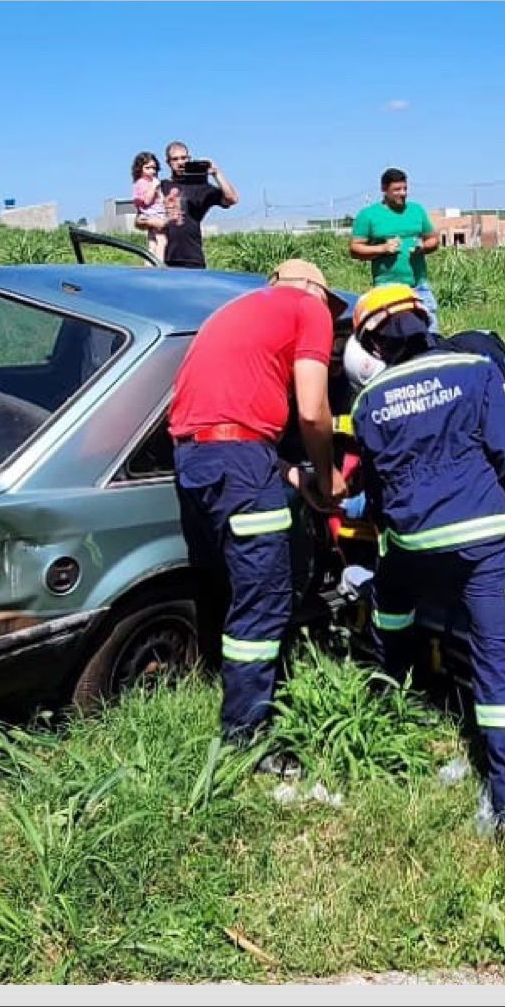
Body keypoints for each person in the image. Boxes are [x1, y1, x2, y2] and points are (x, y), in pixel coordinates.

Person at [343, 283, 505, 837]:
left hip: (411, 546)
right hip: (486, 543)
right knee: (500, 677)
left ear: (372, 344)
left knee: (391, 606)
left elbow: (379, 488)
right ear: (423, 318)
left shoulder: (368, 402)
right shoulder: (476, 369)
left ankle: (396, 708)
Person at [168, 259, 343, 770]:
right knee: (264, 601)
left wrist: (292, 475)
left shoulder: (234, 311)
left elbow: (223, 416)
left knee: (239, 591)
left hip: (197, 458)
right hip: (240, 462)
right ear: (313, 287)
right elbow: (312, 410)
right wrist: (328, 476)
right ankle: (249, 739)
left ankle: (235, 700)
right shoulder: (308, 307)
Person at [351, 168, 439, 328]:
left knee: (431, 334)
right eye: (397, 189)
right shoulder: (369, 215)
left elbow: (433, 239)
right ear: (384, 189)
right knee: (395, 333)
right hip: (387, 287)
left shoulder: (417, 210)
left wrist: (423, 247)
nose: (402, 193)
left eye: (405, 189)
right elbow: (355, 249)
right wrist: (383, 249)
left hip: (419, 286)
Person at [144, 141, 239, 269]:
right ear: (168, 163)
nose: (180, 162)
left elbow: (232, 199)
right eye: (175, 159)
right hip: (163, 259)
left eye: (184, 158)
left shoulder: (200, 187)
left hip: (192, 258)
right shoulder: (161, 186)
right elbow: (144, 218)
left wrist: (216, 173)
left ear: (189, 159)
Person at [131, 151, 167, 263]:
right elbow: (146, 200)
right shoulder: (143, 183)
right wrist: (154, 186)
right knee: (162, 240)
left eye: (154, 168)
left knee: (152, 243)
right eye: (148, 168)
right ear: (140, 168)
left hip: (150, 214)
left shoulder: (143, 182)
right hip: (155, 214)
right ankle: (159, 265)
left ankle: (149, 265)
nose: (152, 171)